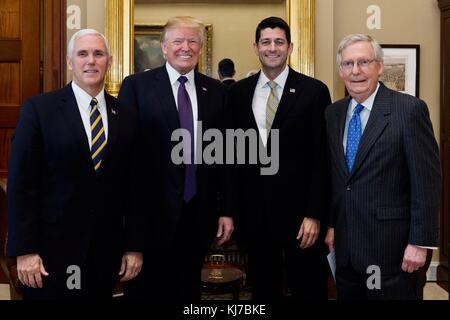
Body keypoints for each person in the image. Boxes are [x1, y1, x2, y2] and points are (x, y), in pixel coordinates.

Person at [6, 29, 144, 300]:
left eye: (98, 54)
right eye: (82, 54)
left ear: (109, 61)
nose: (91, 61)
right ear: (70, 62)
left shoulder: (127, 116)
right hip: (49, 255)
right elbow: (22, 184)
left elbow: (136, 187)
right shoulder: (39, 110)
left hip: (105, 254)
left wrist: (134, 247)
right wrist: (25, 251)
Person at [118, 16, 234, 300]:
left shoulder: (217, 92)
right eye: (178, 41)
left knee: (187, 292)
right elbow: (123, 156)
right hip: (149, 215)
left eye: (193, 41)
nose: (186, 47)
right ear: (164, 46)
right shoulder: (137, 86)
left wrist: (227, 209)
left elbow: (227, 156)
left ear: (201, 47)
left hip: (198, 215)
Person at [324, 34, 440, 300]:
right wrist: (331, 225)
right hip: (346, 252)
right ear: (340, 69)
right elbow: (338, 179)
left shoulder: (409, 110)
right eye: (348, 64)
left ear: (379, 66)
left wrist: (419, 243)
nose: (355, 71)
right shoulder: (333, 114)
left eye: (364, 62)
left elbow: (427, 183)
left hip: (393, 253)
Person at [227, 16, 331, 300]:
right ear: (256, 47)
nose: (272, 48)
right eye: (266, 42)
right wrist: (232, 210)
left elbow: (322, 159)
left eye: (279, 42)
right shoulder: (238, 93)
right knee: (262, 290)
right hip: (255, 218)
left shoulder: (314, 91)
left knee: (308, 288)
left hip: (301, 219)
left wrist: (315, 214)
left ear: (290, 47)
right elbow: (233, 158)